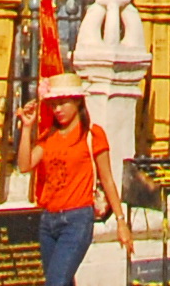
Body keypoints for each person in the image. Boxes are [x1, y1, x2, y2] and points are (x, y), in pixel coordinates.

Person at [26, 76, 117, 286]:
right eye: (53, 104)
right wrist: (25, 128)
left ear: (77, 101)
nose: (58, 109)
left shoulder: (92, 134)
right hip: (49, 219)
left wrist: (121, 221)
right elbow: (25, 164)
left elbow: (107, 179)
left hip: (77, 218)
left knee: (56, 282)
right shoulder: (49, 136)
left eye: (63, 103)